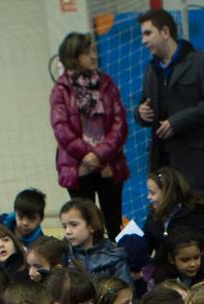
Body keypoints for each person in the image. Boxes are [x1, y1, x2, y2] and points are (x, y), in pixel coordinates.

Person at [136, 8, 204, 192]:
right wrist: (140, 113)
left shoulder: (201, 62)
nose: (143, 41)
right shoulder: (151, 70)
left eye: (148, 33)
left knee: (195, 216)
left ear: (165, 32)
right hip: (160, 162)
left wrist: (177, 122)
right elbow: (143, 105)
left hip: (194, 162)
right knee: (163, 218)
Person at [51, 32, 129, 238]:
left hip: (109, 164)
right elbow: (60, 128)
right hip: (78, 166)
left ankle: (117, 266)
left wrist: (100, 154)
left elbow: (120, 123)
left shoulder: (107, 83)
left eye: (93, 51)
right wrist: (87, 154)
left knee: (114, 224)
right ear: (73, 57)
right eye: (87, 53)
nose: (93, 56)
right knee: (86, 226)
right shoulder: (61, 89)